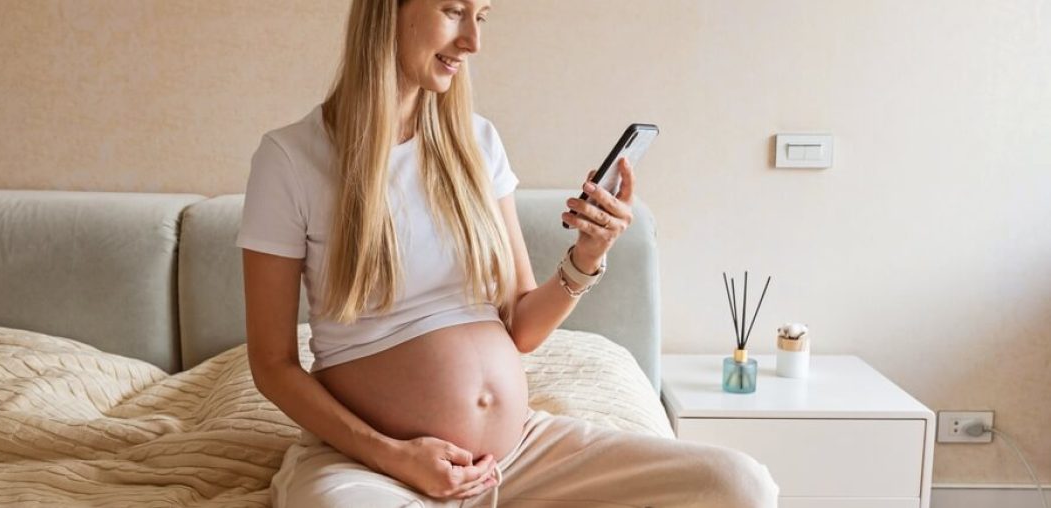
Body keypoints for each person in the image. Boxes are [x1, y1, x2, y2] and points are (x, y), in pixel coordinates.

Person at [236, 0, 779, 506]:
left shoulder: (477, 143)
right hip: (368, 462)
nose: (473, 41)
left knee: (737, 484)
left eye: (483, 16)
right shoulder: (290, 158)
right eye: (453, 12)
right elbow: (273, 364)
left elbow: (520, 325)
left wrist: (587, 255)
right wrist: (394, 455)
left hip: (516, 455)